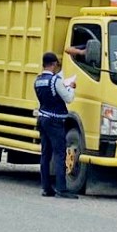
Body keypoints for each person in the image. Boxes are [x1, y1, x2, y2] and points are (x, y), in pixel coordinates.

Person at [34, 51, 78, 199]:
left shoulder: (38, 80)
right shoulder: (55, 80)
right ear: (53, 65)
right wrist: (71, 86)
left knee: (45, 154)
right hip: (55, 120)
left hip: (42, 118)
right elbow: (68, 98)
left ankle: (46, 188)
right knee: (59, 153)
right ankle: (61, 188)